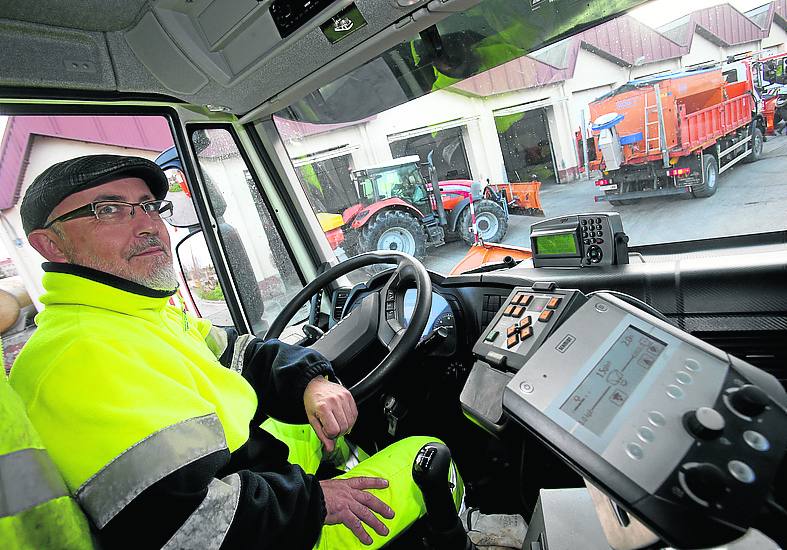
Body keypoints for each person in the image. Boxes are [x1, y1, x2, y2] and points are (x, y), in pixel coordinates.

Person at [9, 155, 462, 549]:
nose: (147, 224)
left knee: (311, 425)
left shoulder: (137, 314)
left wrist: (311, 382)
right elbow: (186, 530)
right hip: (251, 532)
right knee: (427, 452)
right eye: (108, 210)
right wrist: (319, 501)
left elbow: (241, 353)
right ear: (51, 245)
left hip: (252, 482)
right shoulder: (80, 358)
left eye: (149, 206)